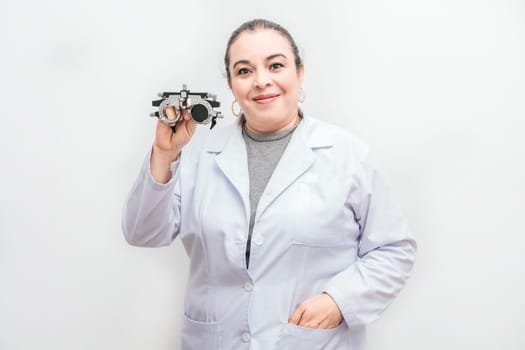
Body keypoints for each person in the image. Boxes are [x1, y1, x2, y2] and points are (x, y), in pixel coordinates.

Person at [122, 19, 416, 350]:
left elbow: (394, 250)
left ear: (299, 74)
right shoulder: (201, 155)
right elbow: (143, 232)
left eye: (275, 65)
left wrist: (339, 301)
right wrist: (165, 153)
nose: (262, 81)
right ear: (232, 85)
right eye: (244, 71)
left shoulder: (347, 155)